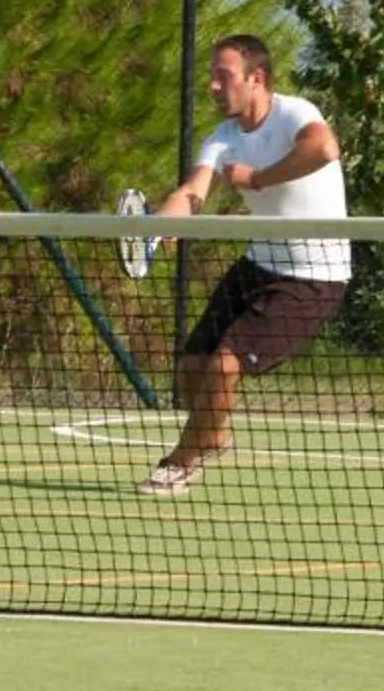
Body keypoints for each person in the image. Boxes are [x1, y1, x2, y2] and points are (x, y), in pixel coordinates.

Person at [142, 34, 350, 496]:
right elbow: (192, 193)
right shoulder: (223, 138)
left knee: (224, 367)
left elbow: (324, 148)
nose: (213, 86)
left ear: (256, 79)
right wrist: (160, 225)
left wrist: (256, 179)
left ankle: (180, 460)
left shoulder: (296, 113)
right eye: (211, 76)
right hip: (261, 264)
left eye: (224, 76)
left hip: (314, 276)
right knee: (193, 367)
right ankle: (213, 437)